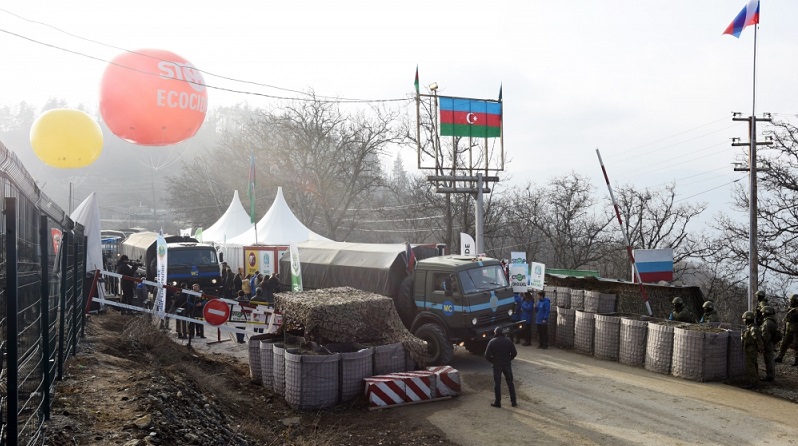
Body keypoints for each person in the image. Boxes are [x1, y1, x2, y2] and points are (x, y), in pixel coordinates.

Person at [484, 327, 517, 408]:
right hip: (507, 364)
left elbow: (486, 355)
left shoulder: (492, 342)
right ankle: (513, 402)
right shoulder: (508, 341)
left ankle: (497, 402)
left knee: (497, 384)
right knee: (510, 383)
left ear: (495, 333)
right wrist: (509, 359)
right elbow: (514, 353)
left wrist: (492, 361)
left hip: (496, 365)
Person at [741, 310, 764, 388]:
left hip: (751, 349)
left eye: (744, 319)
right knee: (753, 365)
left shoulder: (753, 329)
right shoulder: (751, 327)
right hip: (750, 348)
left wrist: (760, 348)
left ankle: (753, 383)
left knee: (751, 366)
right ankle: (755, 381)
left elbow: (757, 339)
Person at [775, 293, 798, 366]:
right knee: (784, 344)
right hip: (789, 330)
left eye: (792, 300)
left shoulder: (796, 309)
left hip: (796, 331)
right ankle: (780, 357)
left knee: (797, 346)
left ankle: (797, 360)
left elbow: (794, 317)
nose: (790, 302)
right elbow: (787, 320)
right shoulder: (790, 308)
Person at [760, 306, 779, 381]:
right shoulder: (772, 321)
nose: (762, 314)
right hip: (770, 342)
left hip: (768, 343)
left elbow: (765, 335)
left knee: (768, 360)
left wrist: (762, 344)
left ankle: (770, 376)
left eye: (763, 312)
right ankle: (770, 375)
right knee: (769, 359)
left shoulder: (767, 323)